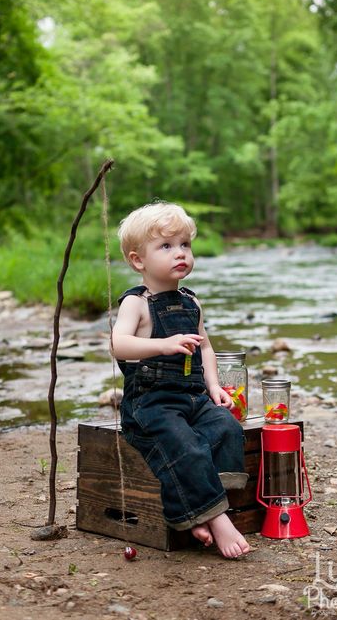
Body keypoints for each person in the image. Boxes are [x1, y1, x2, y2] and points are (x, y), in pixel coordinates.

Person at [111, 201, 251, 559]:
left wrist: (214, 386)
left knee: (226, 428)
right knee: (184, 445)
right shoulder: (137, 303)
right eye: (166, 246)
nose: (180, 254)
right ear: (138, 260)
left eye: (185, 245)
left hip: (192, 398)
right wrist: (162, 344)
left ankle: (198, 511)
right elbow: (119, 344)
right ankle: (217, 519)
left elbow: (205, 349)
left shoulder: (192, 302)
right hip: (152, 403)